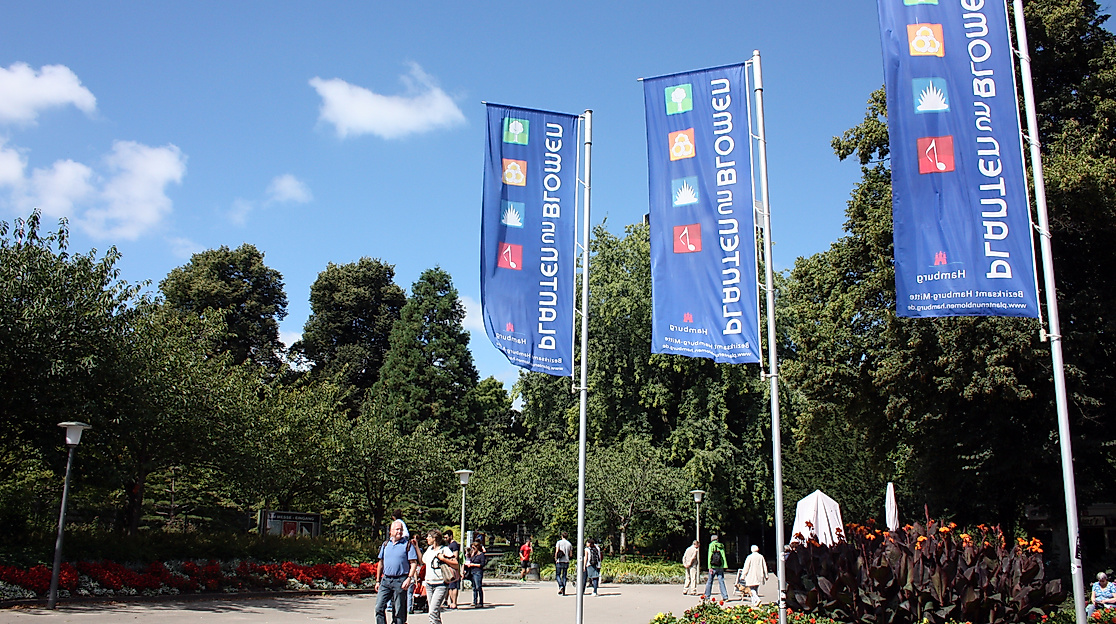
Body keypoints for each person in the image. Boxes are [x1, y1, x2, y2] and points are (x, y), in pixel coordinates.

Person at [375, 520, 419, 624]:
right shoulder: (386, 544)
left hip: (400, 580)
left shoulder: (407, 545)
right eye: (397, 529)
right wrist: (377, 581)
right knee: (379, 607)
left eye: (401, 530)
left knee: (399, 611)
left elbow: (413, 563)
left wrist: (409, 578)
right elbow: (380, 563)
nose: (399, 532)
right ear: (391, 531)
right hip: (386, 580)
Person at [421, 529, 458, 624]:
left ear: (434, 538)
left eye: (429, 536)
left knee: (432, 612)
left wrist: (443, 559)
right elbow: (422, 561)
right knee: (435, 612)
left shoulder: (444, 549)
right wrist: (416, 546)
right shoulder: (429, 550)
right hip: (429, 584)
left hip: (440, 584)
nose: (426, 538)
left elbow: (456, 564)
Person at [703, 534, 729, 601]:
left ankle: (707, 596)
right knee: (721, 581)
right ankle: (725, 596)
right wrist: (724, 566)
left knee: (710, 581)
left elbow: (710, 556)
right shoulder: (721, 546)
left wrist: (709, 567)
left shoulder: (711, 545)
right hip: (720, 566)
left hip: (713, 566)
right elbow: (723, 556)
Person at [463, 540, 486, 607]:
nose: (472, 549)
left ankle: (481, 602)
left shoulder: (481, 555)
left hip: (478, 572)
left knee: (478, 586)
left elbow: (482, 564)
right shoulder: (474, 555)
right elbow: (469, 560)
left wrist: (473, 565)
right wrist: (472, 555)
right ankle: (474, 601)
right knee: (474, 587)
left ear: (477, 547)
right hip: (472, 572)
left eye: (474, 548)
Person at [443, 530, 460, 609]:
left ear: (451, 536)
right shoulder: (448, 545)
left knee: (454, 585)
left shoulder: (454, 545)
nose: (445, 539)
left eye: (446, 537)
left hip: (453, 567)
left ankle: (454, 602)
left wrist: (447, 558)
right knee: (450, 586)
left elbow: (455, 556)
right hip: (448, 566)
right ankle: (451, 602)